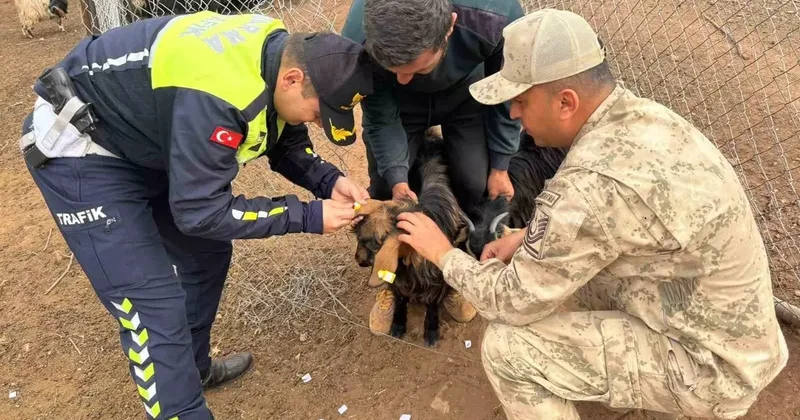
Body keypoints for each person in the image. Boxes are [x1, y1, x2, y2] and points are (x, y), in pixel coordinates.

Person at [394, 9, 789, 420]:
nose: (513, 114)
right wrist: (527, 234)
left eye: (521, 101)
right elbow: (609, 222)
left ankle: (673, 397)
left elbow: (510, 301)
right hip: (734, 336)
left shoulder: (589, 185)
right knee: (562, 279)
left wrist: (443, 254)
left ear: (566, 102)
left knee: (507, 349)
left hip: (712, 371)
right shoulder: (642, 117)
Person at [19, 11, 371, 419]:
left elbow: (282, 134)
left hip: (142, 139)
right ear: (292, 79)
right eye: (317, 111)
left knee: (205, 255)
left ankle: (191, 370)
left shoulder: (277, 54)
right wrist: (307, 215)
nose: (314, 120)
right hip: (82, 149)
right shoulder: (218, 92)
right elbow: (200, 212)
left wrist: (328, 181)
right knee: (153, 308)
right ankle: (181, 406)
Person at [341, 0, 525, 336]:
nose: (405, 78)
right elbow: (380, 115)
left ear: (450, 27)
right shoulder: (360, 35)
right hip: (398, 107)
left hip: (466, 97)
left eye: (417, 68)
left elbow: (505, 93)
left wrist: (500, 163)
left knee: (472, 182)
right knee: (384, 185)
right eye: (394, 67)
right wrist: (397, 179)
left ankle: (452, 272)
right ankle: (391, 277)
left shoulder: (494, 18)